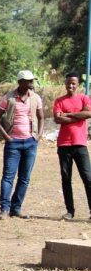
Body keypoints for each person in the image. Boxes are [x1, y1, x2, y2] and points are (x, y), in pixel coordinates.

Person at [0, 70, 45, 220]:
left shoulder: (36, 98)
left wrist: (38, 135)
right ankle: (4, 208)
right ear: (20, 82)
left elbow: (41, 117)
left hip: (30, 142)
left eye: (31, 81)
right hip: (13, 143)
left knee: (24, 177)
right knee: (8, 177)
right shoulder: (8, 98)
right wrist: (7, 137)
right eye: (28, 81)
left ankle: (16, 208)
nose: (31, 84)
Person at [53, 72, 91, 220]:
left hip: (80, 144)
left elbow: (88, 114)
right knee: (66, 178)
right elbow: (57, 119)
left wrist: (68, 115)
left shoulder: (84, 98)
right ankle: (70, 211)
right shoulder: (59, 100)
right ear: (65, 84)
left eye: (73, 83)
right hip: (63, 144)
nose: (71, 85)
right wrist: (78, 114)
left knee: (87, 178)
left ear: (77, 84)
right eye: (68, 83)